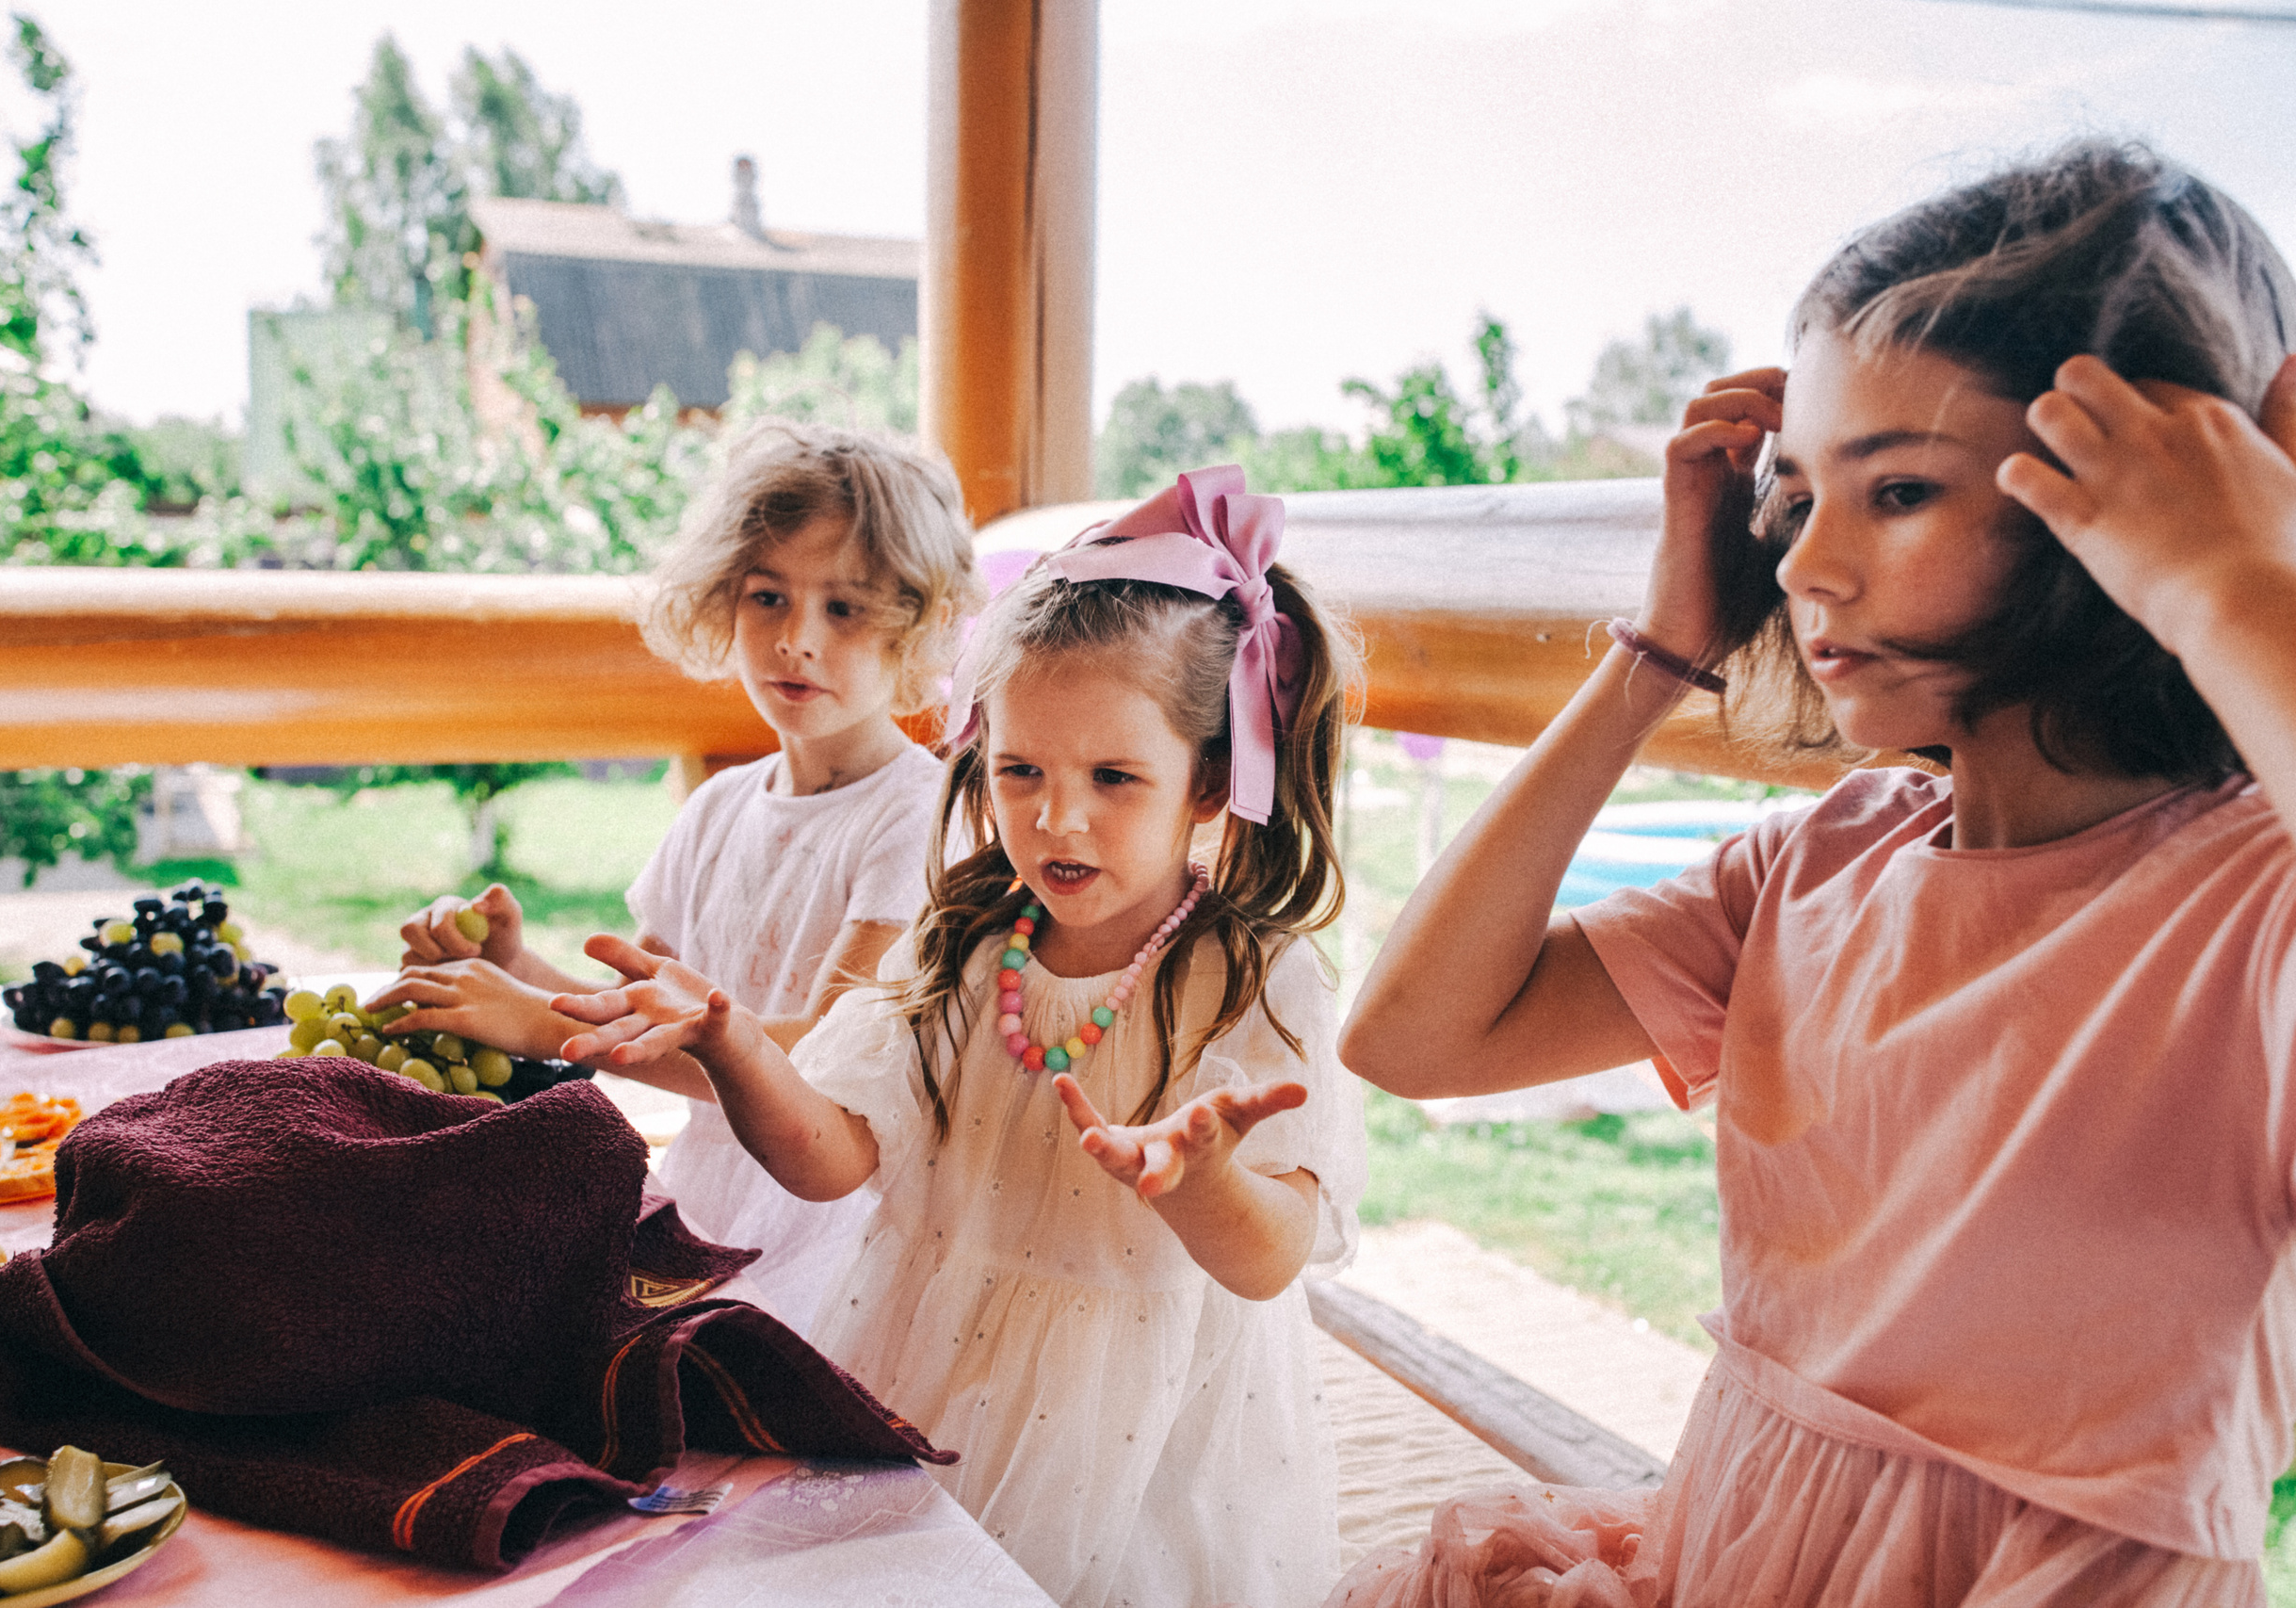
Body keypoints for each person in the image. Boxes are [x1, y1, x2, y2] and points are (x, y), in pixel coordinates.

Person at [1330, 140, 2296, 1608]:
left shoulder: (2248, 906)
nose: (1804, 564)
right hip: (1745, 1539)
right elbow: (1412, 1033)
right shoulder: (1825, 858)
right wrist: (1658, 653)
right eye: (1801, 494)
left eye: (1898, 491)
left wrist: (2238, 583)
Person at [550, 466, 1367, 1608]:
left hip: (1132, 1415)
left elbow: (1269, 1255)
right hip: (923, 1344)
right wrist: (736, 1046)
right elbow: (833, 1158)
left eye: (1113, 778)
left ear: (1210, 783)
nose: (1055, 817)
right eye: (1020, 770)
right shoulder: (970, 942)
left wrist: (1205, 1180)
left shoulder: (1253, 978)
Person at [369, 421, 981, 1335]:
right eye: (767, 596)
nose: (795, 640)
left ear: (919, 624)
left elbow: (819, 1055)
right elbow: (637, 1006)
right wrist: (520, 968)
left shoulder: (918, 817)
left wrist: (539, 1024)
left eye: (844, 608)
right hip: (709, 1208)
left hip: (838, 1232)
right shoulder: (719, 807)